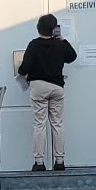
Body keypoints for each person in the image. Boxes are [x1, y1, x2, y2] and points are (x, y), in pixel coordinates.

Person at [19, 14, 77, 171]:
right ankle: (60, 161)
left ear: (38, 28)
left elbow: (23, 69)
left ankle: (39, 162)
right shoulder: (59, 45)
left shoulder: (33, 45)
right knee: (57, 124)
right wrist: (62, 39)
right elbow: (72, 56)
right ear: (53, 29)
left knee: (40, 124)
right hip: (57, 87)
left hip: (38, 87)